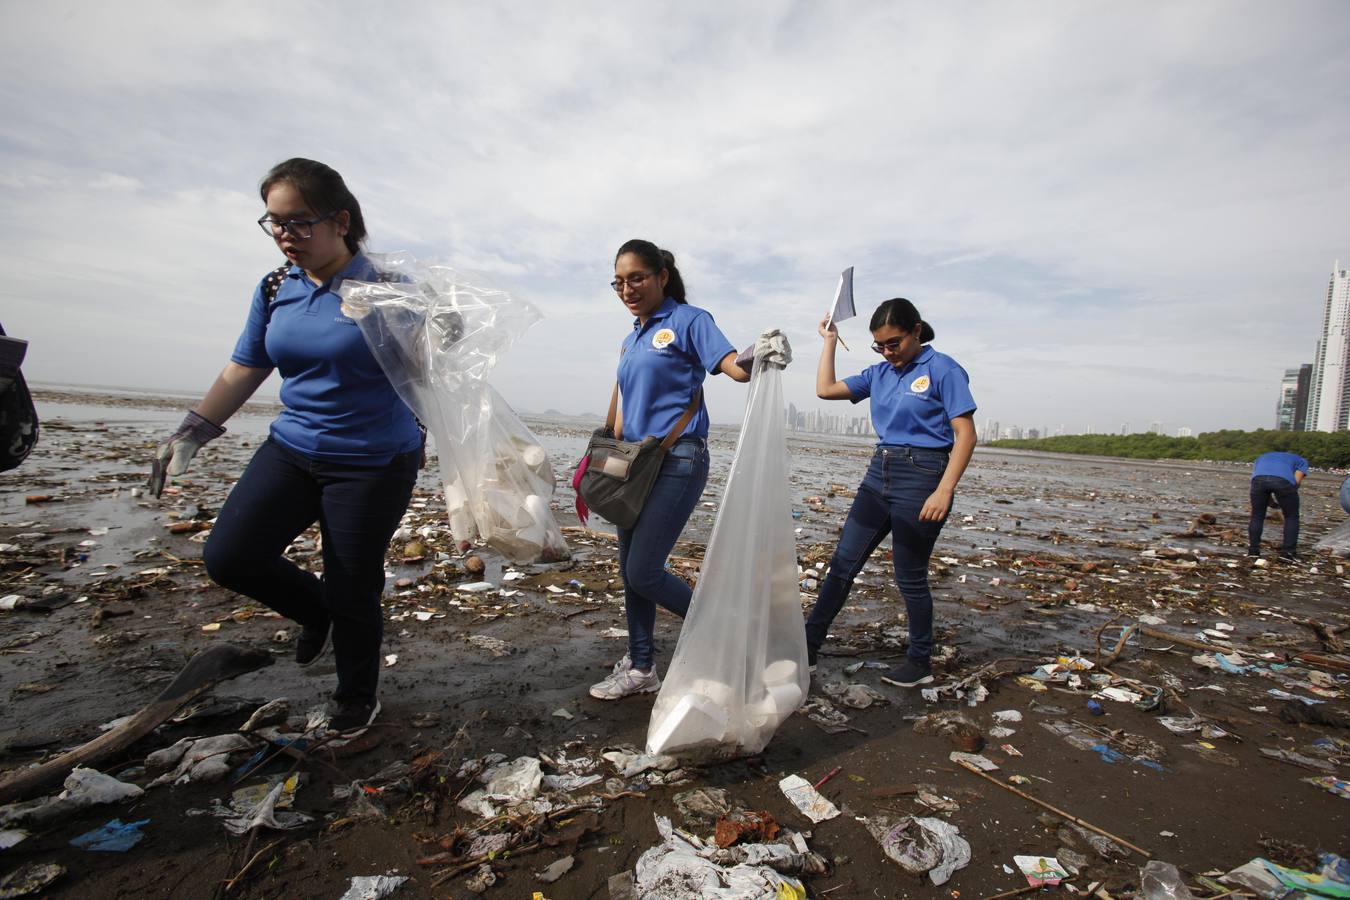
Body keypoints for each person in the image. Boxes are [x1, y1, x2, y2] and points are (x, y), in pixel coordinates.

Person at [150, 158, 422, 735]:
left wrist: (422, 327)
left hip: (372, 461)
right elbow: (247, 365)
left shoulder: (390, 289)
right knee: (230, 556)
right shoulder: (277, 285)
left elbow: (430, 372)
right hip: (292, 448)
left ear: (340, 220)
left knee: (354, 581)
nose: (284, 236)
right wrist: (193, 430)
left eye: (298, 223)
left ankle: (356, 696)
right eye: (273, 223)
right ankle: (316, 609)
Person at [588, 239, 786, 700]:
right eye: (618, 282)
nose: (627, 289)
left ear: (661, 276)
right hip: (633, 466)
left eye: (636, 278)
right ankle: (641, 667)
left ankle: (727, 634)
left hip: (678, 461)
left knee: (644, 572)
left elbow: (733, 368)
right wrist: (605, 461)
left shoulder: (690, 320)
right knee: (630, 572)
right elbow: (621, 411)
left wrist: (762, 351)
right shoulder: (631, 336)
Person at [804, 298, 976, 687]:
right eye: (879, 345)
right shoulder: (879, 373)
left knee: (909, 576)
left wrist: (944, 490)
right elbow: (825, 389)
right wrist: (829, 340)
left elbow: (966, 433)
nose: (887, 352)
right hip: (878, 474)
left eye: (894, 343)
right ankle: (808, 646)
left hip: (924, 475)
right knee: (842, 565)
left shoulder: (943, 369)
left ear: (917, 330)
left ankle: (919, 662)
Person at [1248, 450, 1308, 562]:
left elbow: (1262, 477)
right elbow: (1296, 481)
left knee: (1257, 515)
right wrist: (1287, 499)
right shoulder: (1301, 460)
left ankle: (1253, 551)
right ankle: (1288, 552)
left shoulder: (1262, 456)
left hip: (1258, 480)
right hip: (1282, 481)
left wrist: (1270, 501)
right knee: (1291, 516)